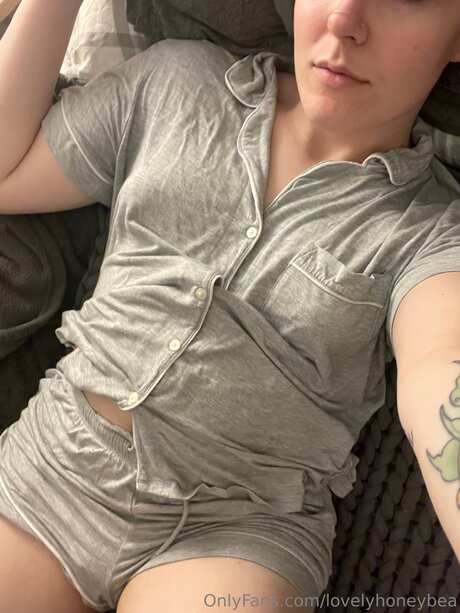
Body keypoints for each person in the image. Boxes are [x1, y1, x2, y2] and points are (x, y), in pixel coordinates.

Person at [0, 1, 460, 612]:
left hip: (239, 529)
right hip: (54, 468)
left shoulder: (433, 230)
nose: (344, 19)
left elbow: (440, 364)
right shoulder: (174, 81)